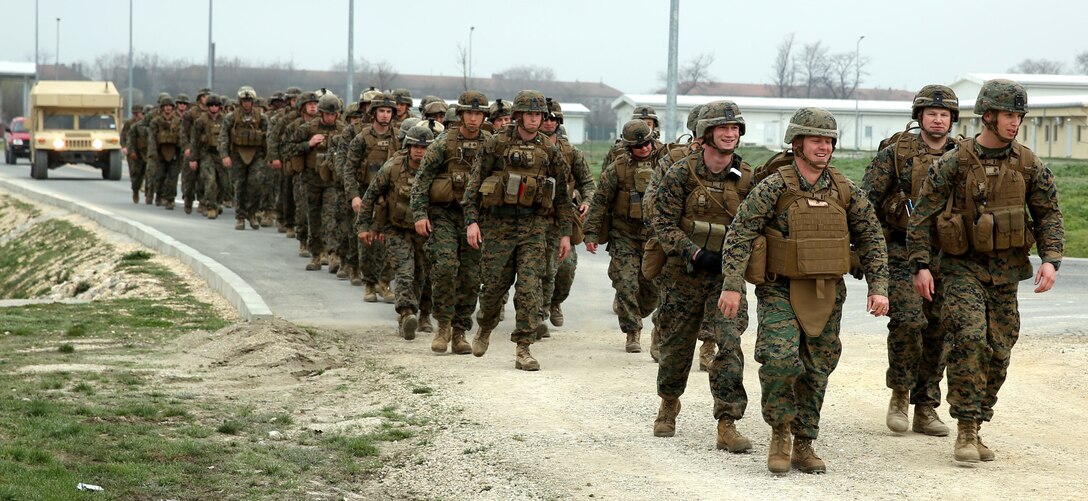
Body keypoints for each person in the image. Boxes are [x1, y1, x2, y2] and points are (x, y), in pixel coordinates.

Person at [717, 107, 889, 474]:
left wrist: (879, 287)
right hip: (779, 288)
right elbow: (740, 233)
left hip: (827, 291)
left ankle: (804, 442)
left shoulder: (845, 190)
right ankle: (780, 433)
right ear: (797, 144)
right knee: (780, 361)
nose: (823, 147)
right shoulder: (774, 187)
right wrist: (732, 285)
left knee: (817, 368)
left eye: (828, 141)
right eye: (815, 140)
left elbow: (872, 237)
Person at [907, 78, 1063, 464]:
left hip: (1006, 273)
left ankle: (978, 420)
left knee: (1000, 350)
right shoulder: (954, 162)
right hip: (960, 269)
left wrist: (1050, 259)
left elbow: (1048, 214)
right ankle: (965, 429)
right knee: (970, 339)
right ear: (988, 116)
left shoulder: (1028, 164)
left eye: (1019, 116)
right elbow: (922, 216)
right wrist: (921, 265)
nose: (1015, 123)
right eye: (1009, 115)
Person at [647, 100, 756, 453]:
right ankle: (668, 402)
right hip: (683, 274)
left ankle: (727, 422)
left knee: (729, 344)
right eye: (723, 128)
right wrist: (691, 251)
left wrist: (734, 269)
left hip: (726, 278)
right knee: (676, 345)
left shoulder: (747, 178)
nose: (730, 134)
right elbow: (661, 221)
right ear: (706, 133)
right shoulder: (681, 173)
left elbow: (754, 229)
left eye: (735, 128)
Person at [863, 85, 960, 437]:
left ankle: (926, 406)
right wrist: (864, 252)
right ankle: (900, 395)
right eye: (931, 113)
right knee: (907, 321)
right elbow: (865, 203)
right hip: (900, 252)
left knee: (940, 329)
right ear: (919, 116)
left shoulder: (963, 156)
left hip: (946, 255)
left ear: (952, 119)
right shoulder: (896, 154)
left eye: (944, 114)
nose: (938, 120)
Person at [462, 89, 574, 371]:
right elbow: (474, 185)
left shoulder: (549, 150)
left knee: (529, 289)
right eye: (530, 114)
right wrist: (471, 221)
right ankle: (485, 327)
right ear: (518, 116)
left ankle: (524, 348)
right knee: (493, 289)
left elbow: (562, 196)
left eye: (538, 114)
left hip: (533, 227)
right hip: (498, 226)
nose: (535, 119)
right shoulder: (496, 144)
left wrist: (565, 233)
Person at [411, 91, 492, 354]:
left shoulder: (491, 145)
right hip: (444, 214)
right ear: (460, 115)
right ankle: (443, 325)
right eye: (469, 113)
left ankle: (460, 331)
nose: (473, 118)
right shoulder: (444, 143)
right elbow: (422, 180)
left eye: (478, 114)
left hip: (476, 219)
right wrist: (420, 214)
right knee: (445, 267)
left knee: (471, 276)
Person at [584, 119, 661, 353]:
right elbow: (599, 202)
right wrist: (591, 233)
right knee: (626, 283)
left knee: (652, 290)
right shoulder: (616, 169)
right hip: (624, 234)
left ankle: (636, 311)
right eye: (638, 146)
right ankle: (632, 331)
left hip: (654, 235)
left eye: (647, 143)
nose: (644, 148)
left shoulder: (666, 164)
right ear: (628, 147)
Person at [357, 124, 435, 340]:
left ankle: (423, 314)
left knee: (423, 274)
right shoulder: (392, 168)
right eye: (415, 147)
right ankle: (406, 314)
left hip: (424, 231)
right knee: (404, 271)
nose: (419, 151)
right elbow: (370, 196)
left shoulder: (435, 170)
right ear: (408, 147)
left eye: (424, 147)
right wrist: (364, 226)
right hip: (396, 229)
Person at [540, 99, 596, 329]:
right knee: (540, 268)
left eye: (553, 119)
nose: (549, 122)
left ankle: (555, 302)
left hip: (563, 219)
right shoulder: (529, 149)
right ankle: (538, 314)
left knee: (565, 268)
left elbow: (588, 183)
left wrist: (587, 201)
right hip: (535, 218)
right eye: (545, 118)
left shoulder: (571, 153)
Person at [344, 92, 399, 302]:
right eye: (381, 111)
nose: (385, 115)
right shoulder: (362, 138)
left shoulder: (399, 138)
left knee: (390, 241)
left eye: (388, 111)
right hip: (366, 194)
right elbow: (349, 169)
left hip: (390, 197)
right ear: (373, 113)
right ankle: (369, 283)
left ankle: (384, 282)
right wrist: (354, 196)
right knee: (366, 239)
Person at [287, 94, 347, 271]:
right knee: (312, 216)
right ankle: (316, 255)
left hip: (332, 181)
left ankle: (332, 253)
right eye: (327, 114)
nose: (330, 118)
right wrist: (309, 144)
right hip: (311, 180)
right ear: (321, 113)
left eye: (333, 114)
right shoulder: (308, 128)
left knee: (331, 216)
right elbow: (289, 148)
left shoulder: (344, 130)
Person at [219, 86, 269, 230]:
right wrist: (225, 155)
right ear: (240, 101)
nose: (247, 103)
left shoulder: (261, 117)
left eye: (249, 100)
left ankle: (252, 213)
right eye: (244, 100)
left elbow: (268, 138)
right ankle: (240, 217)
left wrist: (270, 156)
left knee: (256, 184)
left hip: (257, 155)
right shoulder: (231, 117)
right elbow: (223, 137)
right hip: (237, 154)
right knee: (239, 186)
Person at [190, 95, 229, 219]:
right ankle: (210, 206)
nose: (213, 108)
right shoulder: (200, 121)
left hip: (221, 154)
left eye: (216, 105)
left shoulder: (226, 120)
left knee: (224, 182)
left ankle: (218, 202)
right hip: (206, 153)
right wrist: (193, 159)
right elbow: (194, 141)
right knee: (210, 180)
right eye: (211, 105)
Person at [147, 94, 182, 210]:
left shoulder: (178, 121)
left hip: (174, 152)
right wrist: (153, 153)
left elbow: (182, 136)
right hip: (160, 152)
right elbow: (152, 138)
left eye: (170, 106)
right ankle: (159, 195)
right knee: (160, 176)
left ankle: (170, 199)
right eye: (165, 106)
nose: (168, 108)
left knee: (173, 177)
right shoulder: (156, 122)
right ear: (162, 108)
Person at [120, 104, 146, 204]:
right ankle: (135, 190)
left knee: (147, 172)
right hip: (132, 151)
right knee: (135, 173)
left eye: (138, 113)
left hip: (144, 151)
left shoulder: (146, 122)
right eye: (134, 113)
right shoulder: (129, 123)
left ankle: (148, 192)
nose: (136, 115)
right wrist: (124, 147)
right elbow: (123, 136)